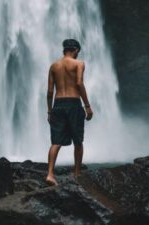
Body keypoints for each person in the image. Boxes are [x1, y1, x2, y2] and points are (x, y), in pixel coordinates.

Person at [45, 39, 93, 186]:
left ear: (64, 50)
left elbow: (50, 91)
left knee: (56, 142)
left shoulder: (54, 66)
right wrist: (87, 106)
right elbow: (79, 83)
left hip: (58, 104)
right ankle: (77, 173)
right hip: (73, 103)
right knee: (78, 141)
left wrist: (49, 111)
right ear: (76, 50)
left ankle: (50, 174)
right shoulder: (79, 64)